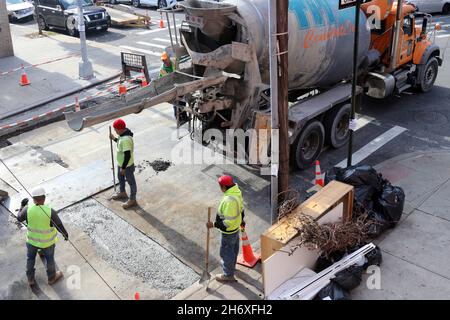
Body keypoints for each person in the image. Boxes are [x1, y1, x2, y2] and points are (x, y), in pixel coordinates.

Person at [17, 187, 68, 287]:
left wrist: (22, 206)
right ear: (44, 198)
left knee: (30, 259)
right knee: (50, 259)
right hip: (47, 242)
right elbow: (59, 226)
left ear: (33, 199)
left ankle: (30, 279)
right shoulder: (50, 211)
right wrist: (65, 234)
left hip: (32, 241)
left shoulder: (28, 209)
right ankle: (52, 278)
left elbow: (19, 218)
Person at [206, 175, 245, 283]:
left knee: (226, 253)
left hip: (229, 232)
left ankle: (228, 275)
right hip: (236, 228)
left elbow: (227, 223)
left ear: (223, 187)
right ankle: (231, 267)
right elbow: (241, 209)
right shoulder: (236, 191)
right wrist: (242, 221)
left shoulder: (229, 200)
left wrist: (213, 224)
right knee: (233, 250)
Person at [109, 118, 138, 210]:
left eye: (115, 129)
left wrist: (124, 168)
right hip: (121, 164)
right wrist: (114, 138)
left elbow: (127, 155)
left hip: (127, 166)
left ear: (120, 129)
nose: (115, 131)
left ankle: (132, 199)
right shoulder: (122, 135)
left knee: (131, 182)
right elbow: (120, 142)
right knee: (120, 178)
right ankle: (122, 192)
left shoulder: (125, 139)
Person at [159, 52, 189, 123]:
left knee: (182, 102)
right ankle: (179, 119)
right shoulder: (162, 70)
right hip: (171, 88)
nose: (164, 61)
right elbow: (162, 82)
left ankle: (184, 117)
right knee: (176, 104)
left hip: (179, 85)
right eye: (163, 60)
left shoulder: (174, 62)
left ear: (169, 58)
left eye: (165, 59)